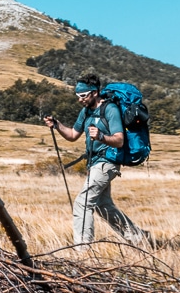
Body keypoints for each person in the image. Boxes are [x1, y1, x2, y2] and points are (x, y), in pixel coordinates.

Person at [44, 73, 154, 248]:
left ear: (94, 92)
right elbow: (72, 135)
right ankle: (138, 237)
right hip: (94, 163)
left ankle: (82, 250)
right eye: (77, 96)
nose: (80, 99)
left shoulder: (110, 110)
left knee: (82, 203)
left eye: (83, 95)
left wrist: (101, 136)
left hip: (108, 162)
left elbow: (119, 140)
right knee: (102, 206)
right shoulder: (86, 111)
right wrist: (57, 126)